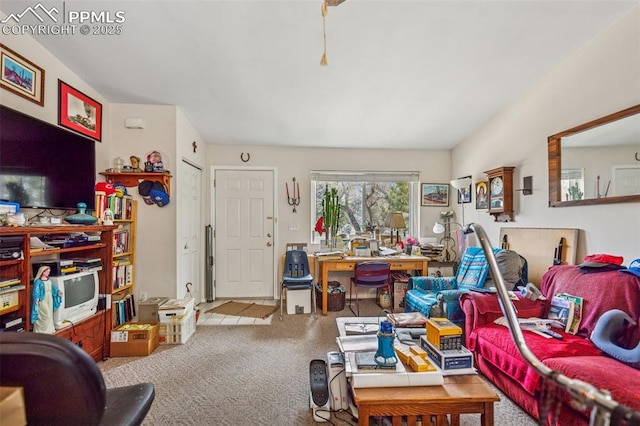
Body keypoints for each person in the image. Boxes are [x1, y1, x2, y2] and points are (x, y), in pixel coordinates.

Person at [31, 266, 62, 334]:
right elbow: (36, 291)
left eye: (49, 272)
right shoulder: (38, 282)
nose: (48, 273)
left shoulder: (48, 280)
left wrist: (58, 292)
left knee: (50, 314)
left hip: (49, 298)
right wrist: (36, 298)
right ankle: (42, 331)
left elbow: (53, 288)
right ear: (42, 272)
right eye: (47, 272)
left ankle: (49, 329)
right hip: (43, 299)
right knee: (45, 314)